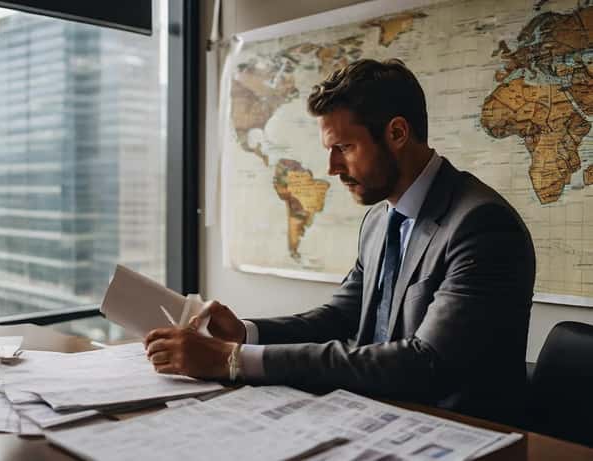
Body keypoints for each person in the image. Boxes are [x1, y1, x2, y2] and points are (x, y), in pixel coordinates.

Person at [144, 58, 536, 424]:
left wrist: (235, 361)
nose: (332, 168)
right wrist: (247, 334)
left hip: (461, 432)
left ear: (397, 133)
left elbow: (425, 363)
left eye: (344, 148)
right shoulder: (379, 221)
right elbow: (340, 317)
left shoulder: (481, 225)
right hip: (375, 416)